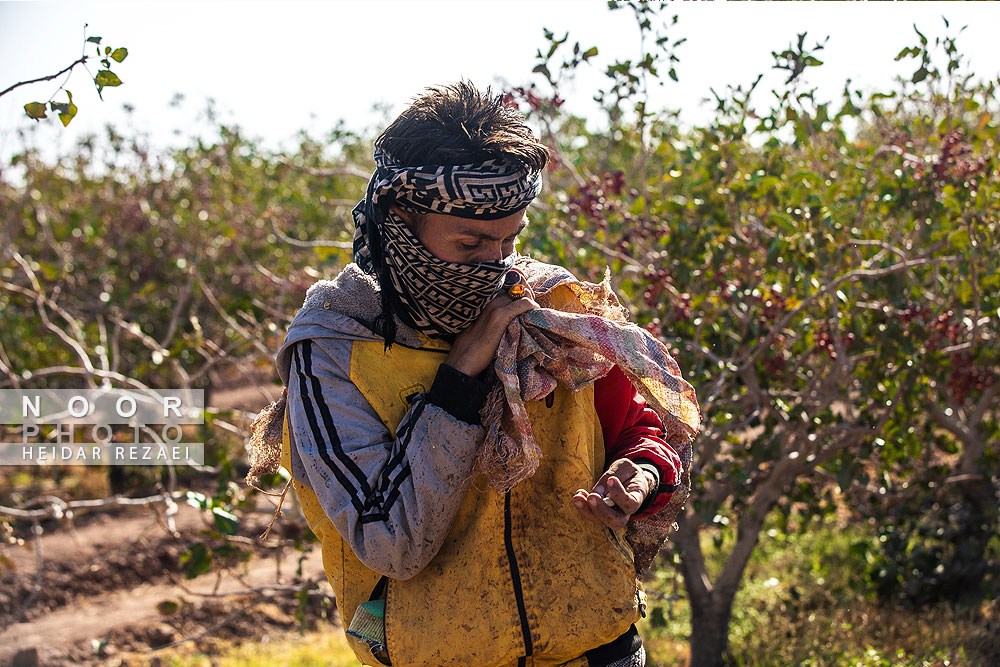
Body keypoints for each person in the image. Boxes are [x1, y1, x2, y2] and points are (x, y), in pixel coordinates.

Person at [272, 81, 690, 667]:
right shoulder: (335, 350)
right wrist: (461, 377)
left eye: (509, 240)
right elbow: (392, 540)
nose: (494, 266)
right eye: (469, 244)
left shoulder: (554, 311)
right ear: (399, 222)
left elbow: (641, 430)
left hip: (600, 647)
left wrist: (640, 474)